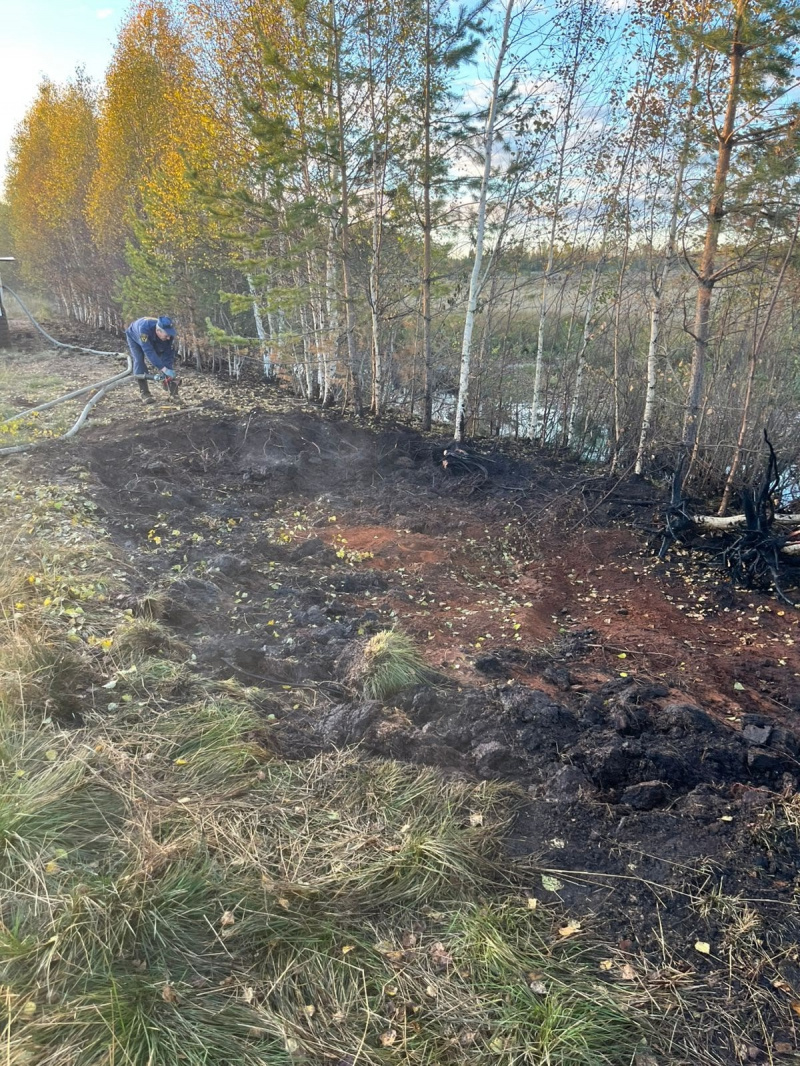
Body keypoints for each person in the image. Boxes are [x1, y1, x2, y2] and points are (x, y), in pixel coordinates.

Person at [125, 315, 178, 403]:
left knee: (165, 361)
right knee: (139, 360)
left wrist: (168, 370)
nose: (169, 338)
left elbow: (168, 354)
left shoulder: (168, 335)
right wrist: (163, 368)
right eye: (167, 335)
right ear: (158, 331)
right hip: (134, 337)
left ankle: (173, 394)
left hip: (154, 337)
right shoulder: (143, 331)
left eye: (170, 335)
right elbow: (149, 351)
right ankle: (144, 393)